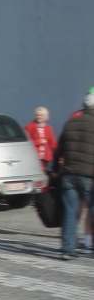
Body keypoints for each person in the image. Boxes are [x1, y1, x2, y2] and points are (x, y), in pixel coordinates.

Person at [53, 93, 94, 259]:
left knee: (70, 211)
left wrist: (54, 170)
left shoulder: (70, 122)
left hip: (69, 175)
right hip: (89, 176)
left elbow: (58, 150)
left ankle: (67, 249)